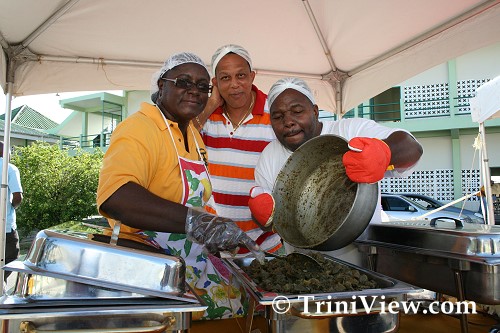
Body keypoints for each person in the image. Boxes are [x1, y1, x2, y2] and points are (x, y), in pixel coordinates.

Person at [96, 52, 263, 320]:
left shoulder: (192, 133)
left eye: (202, 86)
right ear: (162, 86)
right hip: (152, 269)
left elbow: (195, 198)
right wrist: (197, 223)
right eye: (183, 82)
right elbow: (116, 196)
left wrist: (215, 229)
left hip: (189, 259)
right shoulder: (139, 128)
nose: (193, 91)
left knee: (244, 301)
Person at [249, 77, 423, 264]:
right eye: (278, 116)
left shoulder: (350, 131)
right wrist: (261, 216)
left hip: (367, 262)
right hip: (305, 267)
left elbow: (413, 148)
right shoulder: (269, 157)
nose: (288, 122)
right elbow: (268, 222)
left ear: (315, 111)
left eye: (297, 111)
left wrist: (384, 152)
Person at [193, 44, 281, 253]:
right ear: (215, 83)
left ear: (252, 76)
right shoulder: (205, 113)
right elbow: (180, 140)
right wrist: (211, 104)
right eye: (225, 78)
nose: (234, 85)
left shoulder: (275, 111)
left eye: (241, 75)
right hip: (213, 240)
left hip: (264, 242)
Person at [0, 141, 23, 283]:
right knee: (12, 258)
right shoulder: (9, 169)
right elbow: (17, 196)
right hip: (5, 224)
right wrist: (12, 207)